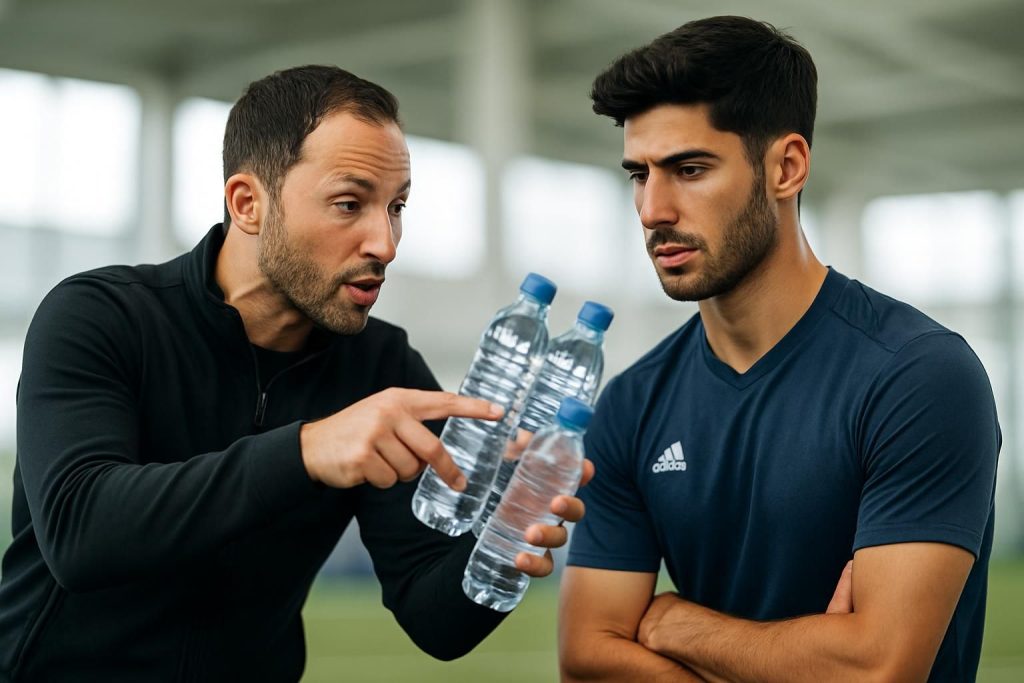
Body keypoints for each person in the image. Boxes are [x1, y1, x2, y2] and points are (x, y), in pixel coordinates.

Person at [0, 64, 589, 682]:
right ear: (248, 203)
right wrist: (307, 450)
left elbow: (435, 619)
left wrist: (504, 535)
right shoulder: (101, 315)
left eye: (396, 207)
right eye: (349, 204)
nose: (384, 243)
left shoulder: (382, 368)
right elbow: (78, 531)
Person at [560, 16, 999, 683]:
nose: (653, 208)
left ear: (786, 167)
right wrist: (808, 656)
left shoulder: (918, 376)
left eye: (689, 168)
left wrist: (674, 622)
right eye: (638, 175)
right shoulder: (631, 403)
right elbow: (589, 660)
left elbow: (878, 667)